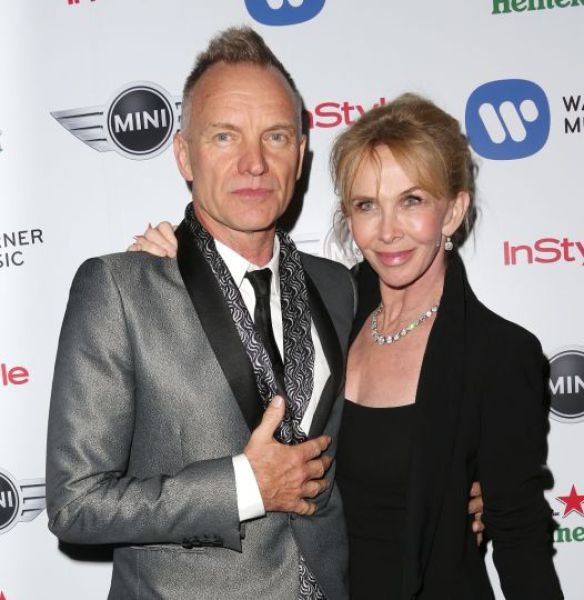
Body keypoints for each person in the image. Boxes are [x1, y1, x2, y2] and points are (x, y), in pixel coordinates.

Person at [137, 94, 562, 599]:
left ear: (452, 212)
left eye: (412, 201)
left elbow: (521, 538)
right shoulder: (327, 307)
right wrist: (174, 267)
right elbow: (222, 354)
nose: (388, 231)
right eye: (367, 205)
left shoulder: (499, 354)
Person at [46, 27, 356, 600]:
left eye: (275, 137)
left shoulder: (338, 287)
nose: (254, 163)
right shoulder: (120, 288)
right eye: (224, 136)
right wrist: (245, 486)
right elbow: (76, 504)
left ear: (301, 154)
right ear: (184, 154)